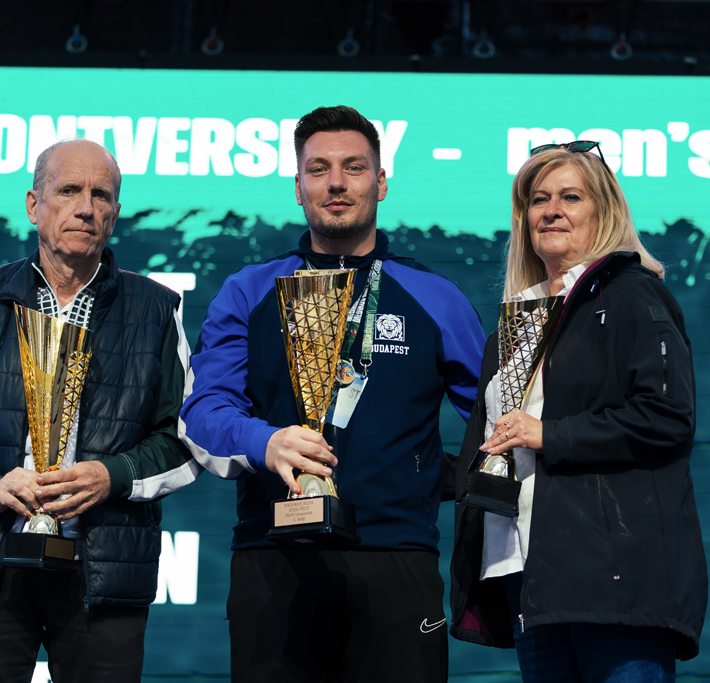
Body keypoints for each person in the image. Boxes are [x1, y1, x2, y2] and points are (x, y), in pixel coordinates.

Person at [180, 105, 486, 682]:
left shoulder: (436, 297)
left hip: (397, 555)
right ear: (298, 188)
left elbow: (494, 422)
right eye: (318, 169)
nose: (337, 183)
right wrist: (265, 442)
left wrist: (426, 475)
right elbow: (204, 412)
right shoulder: (249, 290)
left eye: (354, 167)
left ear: (381, 182)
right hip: (273, 553)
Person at [0, 139, 201, 683]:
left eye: (100, 195)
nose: (85, 208)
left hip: (103, 570)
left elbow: (186, 438)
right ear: (34, 204)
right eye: (69, 191)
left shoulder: (157, 309)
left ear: (115, 214)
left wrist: (113, 476)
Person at [449, 141, 707, 681]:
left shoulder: (633, 295)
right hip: (526, 572)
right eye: (538, 199)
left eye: (571, 197)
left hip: (611, 576)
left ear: (603, 212)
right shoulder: (513, 325)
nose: (551, 210)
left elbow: (667, 417)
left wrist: (549, 435)